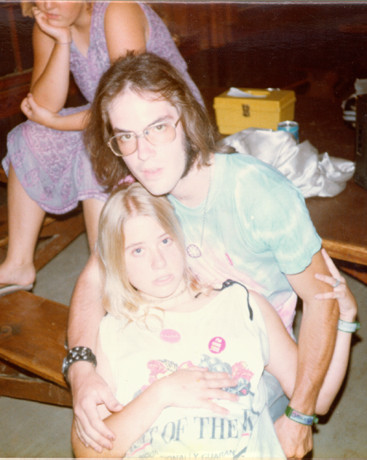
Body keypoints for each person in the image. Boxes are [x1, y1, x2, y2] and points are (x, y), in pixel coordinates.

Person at [66, 52, 347, 458]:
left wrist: (301, 415)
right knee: (103, 423)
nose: (142, 153)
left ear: (187, 118)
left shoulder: (259, 194)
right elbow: (94, 278)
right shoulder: (145, 187)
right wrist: (81, 371)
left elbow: (323, 302)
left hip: (252, 353)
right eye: (126, 136)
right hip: (168, 329)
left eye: (157, 128)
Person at [71, 182, 358, 458]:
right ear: (116, 261)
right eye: (138, 250)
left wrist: (344, 322)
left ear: (181, 237)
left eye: (165, 240)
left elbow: (316, 401)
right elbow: (89, 451)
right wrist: (162, 393)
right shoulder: (114, 331)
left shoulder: (245, 306)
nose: (158, 262)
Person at [0, 1, 202, 296]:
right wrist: (61, 42)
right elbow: (43, 106)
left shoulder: (117, 10)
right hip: (109, 116)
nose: (46, 4)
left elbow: (128, 102)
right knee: (29, 135)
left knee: (93, 148)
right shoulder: (49, 23)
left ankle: (106, 275)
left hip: (166, 121)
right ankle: (18, 264)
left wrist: (55, 121)